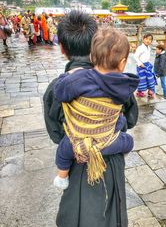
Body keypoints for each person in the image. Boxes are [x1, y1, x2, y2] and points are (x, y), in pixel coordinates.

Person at [43, 11, 139, 227]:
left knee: (76, 206)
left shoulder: (59, 86)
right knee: (117, 205)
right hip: (111, 159)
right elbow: (131, 119)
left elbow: (55, 133)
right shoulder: (118, 83)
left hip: (75, 157)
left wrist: (81, 140)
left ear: (62, 48)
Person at [53, 28, 139, 190]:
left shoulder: (78, 78)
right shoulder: (123, 85)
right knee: (128, 141)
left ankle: (62, 177)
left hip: (78, 142)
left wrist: (67, 75)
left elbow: (59, 92)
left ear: (92, 57)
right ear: (122, 63)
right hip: (108, 142)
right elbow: (128, 113)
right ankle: (118, 153)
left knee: (64, 149)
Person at [134, 33, 157, 98]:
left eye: (150, 39)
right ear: (143, 39)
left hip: (147, 65)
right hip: (141, 66)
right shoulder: (140, 48)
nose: (148, 40)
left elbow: (147, 57)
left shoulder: (148, 48)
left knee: (150, 78)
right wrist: (140, 64)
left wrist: (148, 64)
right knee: (142, 79)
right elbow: (135, 56)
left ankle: (150, 91)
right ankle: (139, 92)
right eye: (146, 39)